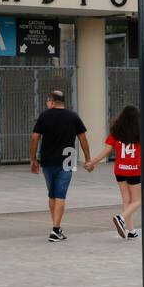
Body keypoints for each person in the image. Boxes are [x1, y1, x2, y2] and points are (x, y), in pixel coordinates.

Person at [30, 89, 91, 242]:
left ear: (51, 101)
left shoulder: (44, 116)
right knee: (60, 193)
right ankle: (56, 229)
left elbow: (35, 138)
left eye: (47, 101)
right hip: (68, 157)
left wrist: (33, 159)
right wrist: (88, 159)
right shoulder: (73, 116)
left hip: (47, 158)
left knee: (52, 194)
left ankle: (56, 227)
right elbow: (83, 138)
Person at [85, 105, 142, 239]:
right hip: (134, 170)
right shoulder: (141, 132)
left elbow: (107, 150)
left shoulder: (116, 131)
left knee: (126, 200)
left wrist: (92, 162)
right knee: (138, 200)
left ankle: (131, 231)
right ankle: (121, 218)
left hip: (120, 170)